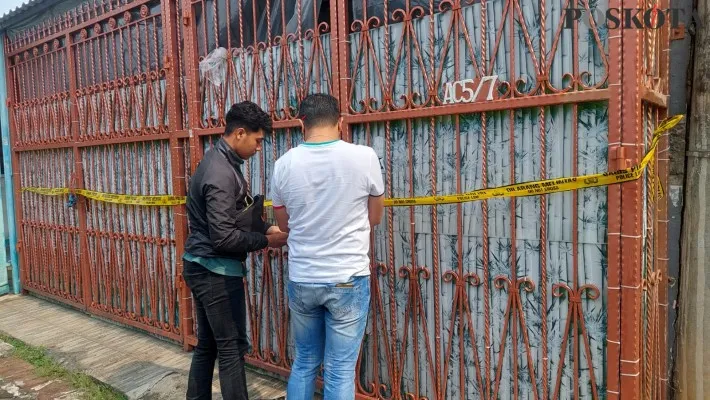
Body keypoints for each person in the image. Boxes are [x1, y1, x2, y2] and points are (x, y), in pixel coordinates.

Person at [269, 93, 385, 399]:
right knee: (340, 369)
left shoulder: (283, 165)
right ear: (341, 122)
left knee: (305, 361)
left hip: (303, 276)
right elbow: (375, 218)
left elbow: (283, 225)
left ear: (300, 122)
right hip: (347, 277)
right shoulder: (365, 157)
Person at [182, 101, 288, 400]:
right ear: (239, 133)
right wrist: (268, 242)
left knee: (208, 345)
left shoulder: (221, 162)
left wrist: (266, 228)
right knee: (230, 348)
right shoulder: (220, 173)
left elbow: (238, 213)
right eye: (257, 141)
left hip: (202, 265)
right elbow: (225, 238)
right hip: (215, 271)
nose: (258, 148)